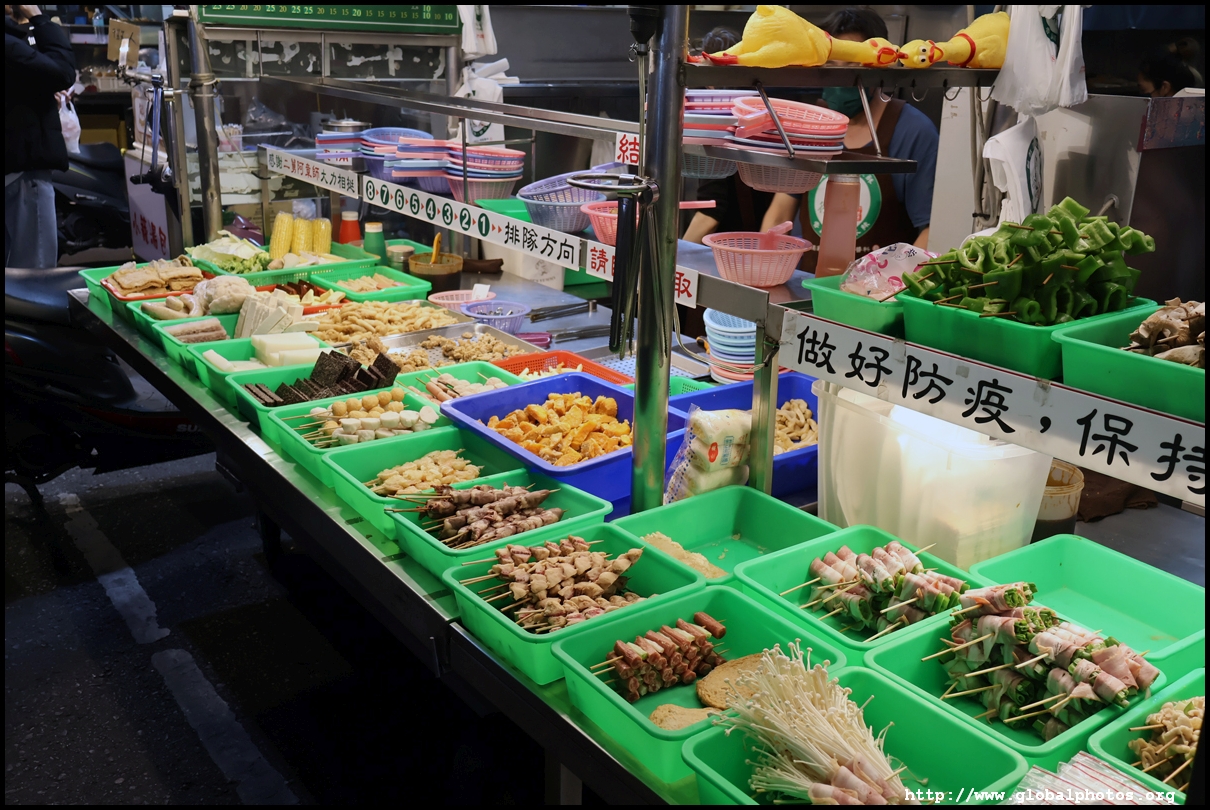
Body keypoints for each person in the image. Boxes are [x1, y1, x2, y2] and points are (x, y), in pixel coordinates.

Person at [759, 7, 939, 269]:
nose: (840, 80)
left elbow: (932, 232)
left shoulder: (913, 132)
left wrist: (891, 283)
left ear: (881, 66)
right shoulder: (813, 126)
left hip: (881, 289)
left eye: (852, 68)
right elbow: (780, 212)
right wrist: (765, 269)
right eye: (831, 66)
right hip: (808, 285)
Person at [683, 26, 775, 244]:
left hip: (729, 246)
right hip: (757, 240)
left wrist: (676, 256)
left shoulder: (717, 123)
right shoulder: (761, 112)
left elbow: (711, 212)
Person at [5, 4, 76, 268]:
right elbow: (63, 72)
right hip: (22, 171)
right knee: (35, 271)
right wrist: (38, 17)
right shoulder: (10, 45)